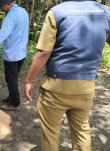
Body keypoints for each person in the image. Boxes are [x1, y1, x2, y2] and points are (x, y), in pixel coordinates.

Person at [24, 0, 110, 150]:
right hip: (86, 85)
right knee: (82, 131)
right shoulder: (106, 12)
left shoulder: (57, 12)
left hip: (56, 87)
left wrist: (29, 80)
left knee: (50, 132)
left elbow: (43, 53)